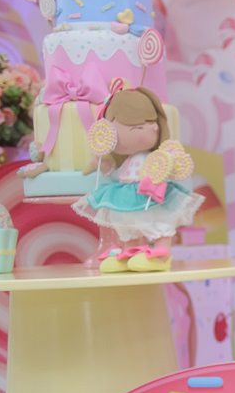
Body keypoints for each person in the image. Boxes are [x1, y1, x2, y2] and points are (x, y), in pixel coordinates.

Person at [72, 86, 199, 273]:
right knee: (128, 224)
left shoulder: (154, 158)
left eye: (135, 127)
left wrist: (160, 174)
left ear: (154, 126)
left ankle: (162, 254)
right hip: (127, 194)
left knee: (157, 220)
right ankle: (129, 251)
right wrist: (105, 165)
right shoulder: (127, 161)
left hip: (147, 193)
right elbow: (118, 175)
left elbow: (161, 171)